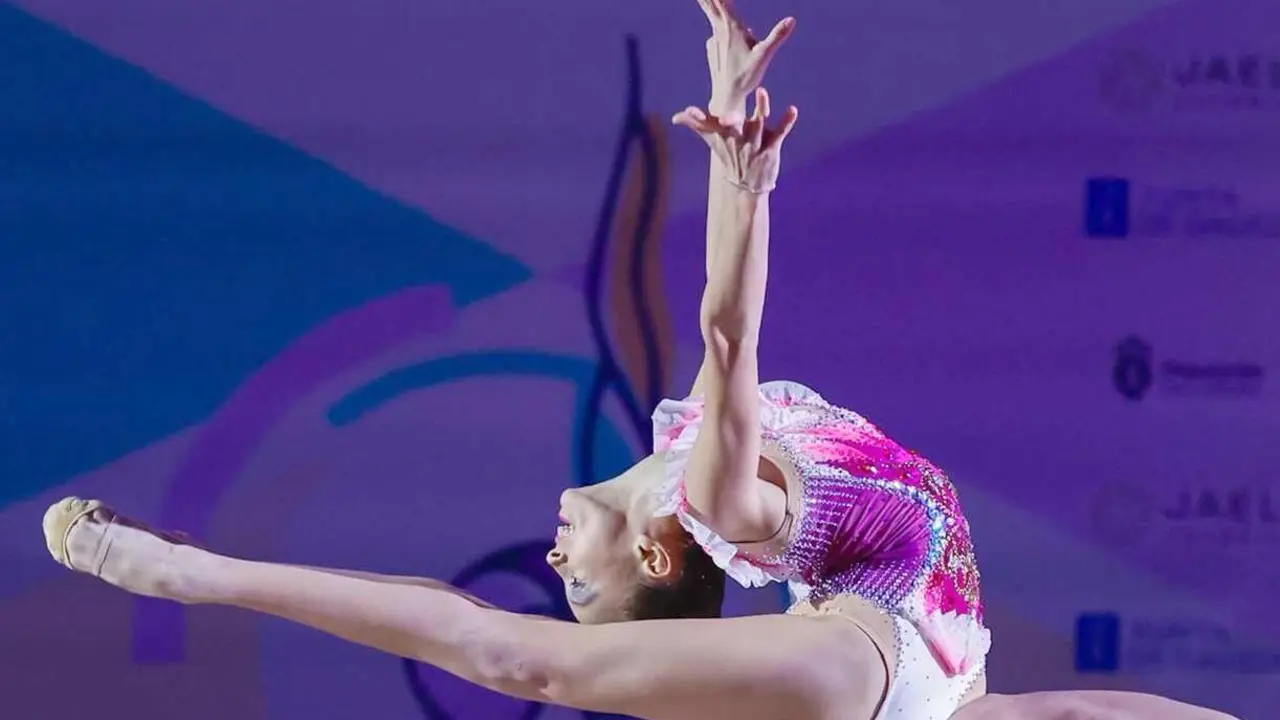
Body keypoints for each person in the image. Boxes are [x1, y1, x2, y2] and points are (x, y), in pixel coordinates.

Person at [40, 2, 1239, 718]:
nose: (554, 555)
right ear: (658, 551)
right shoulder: (720, 502)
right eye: (582, 579)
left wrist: (718, 168)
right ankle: (185, 576)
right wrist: (740, 180)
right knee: (519, 663)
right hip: (883, 655)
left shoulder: (685, 458)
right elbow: (729, 335)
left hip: (929, 661)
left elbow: (688, 330)